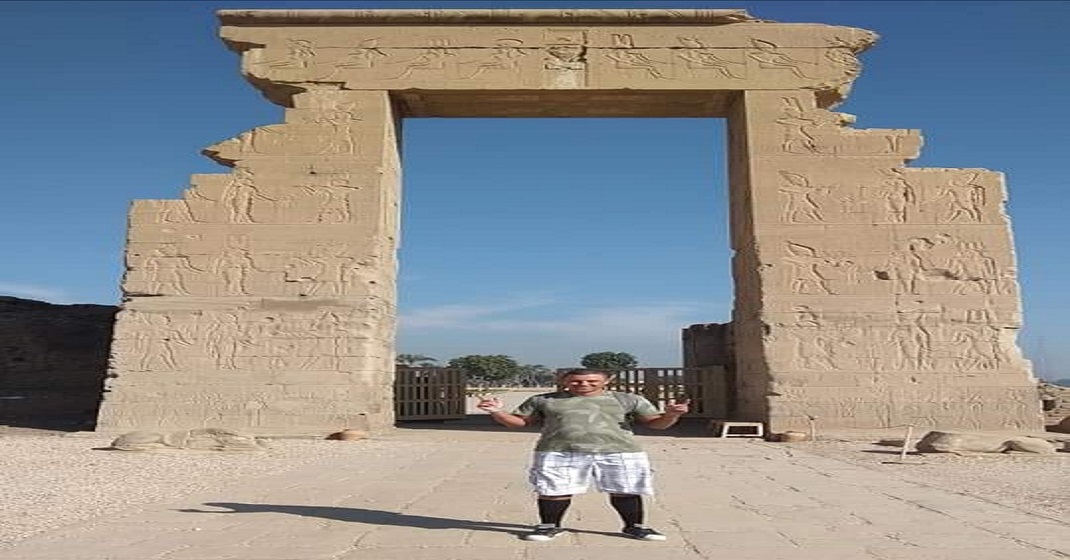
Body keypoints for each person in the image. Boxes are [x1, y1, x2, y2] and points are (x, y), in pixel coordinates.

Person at [476, 368, 689, 542]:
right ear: (565, 381)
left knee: (626, 489)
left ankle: (635, 526)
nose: (584, 385)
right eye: (576, 381)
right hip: (558, 451)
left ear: (607, 381)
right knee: (553, 490)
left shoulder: (628, 400)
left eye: (591, 381)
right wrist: (496, 412)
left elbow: (656, 424)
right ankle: (549, 526)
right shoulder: (544, 400)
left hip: (619, 451)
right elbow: (520, 422)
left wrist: (671, 415)